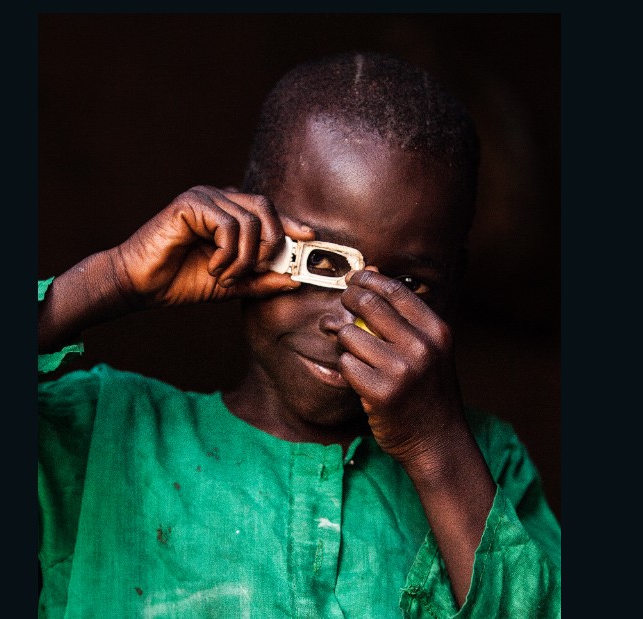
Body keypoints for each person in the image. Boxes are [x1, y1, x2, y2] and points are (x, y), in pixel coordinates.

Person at [36, 51, 561, 618]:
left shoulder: (483, 464)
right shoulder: (97, 434)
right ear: (240, 224)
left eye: (407, 283)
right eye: (325, 263)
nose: (350, 320)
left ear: (453, 287)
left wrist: (436, 450)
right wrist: (111, 278)